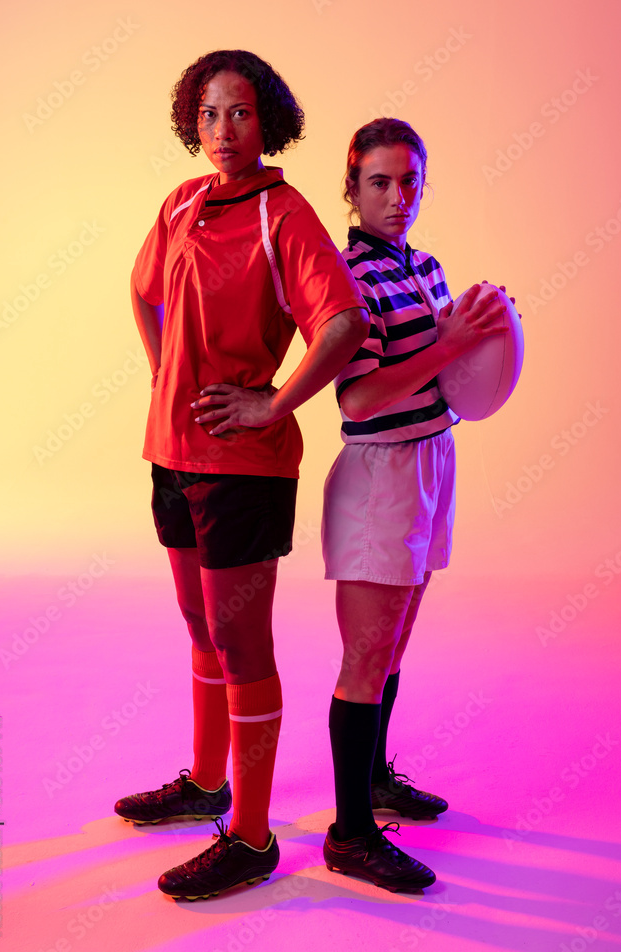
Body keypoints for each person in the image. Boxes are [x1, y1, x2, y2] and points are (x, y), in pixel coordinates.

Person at [115, 49, 368, 901]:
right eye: (211, 114)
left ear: (269, 124)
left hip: (242, 470)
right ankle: (205, 781)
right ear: (192, 120)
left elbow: (341, 323)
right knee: (197, 625)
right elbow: (142, 290)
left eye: (242, 114)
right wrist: (164, 379)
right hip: (171, 454)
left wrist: (274, 404)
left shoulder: (283, 212)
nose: (224, 130)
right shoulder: (182, 201)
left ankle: (253, 838)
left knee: (241, 642)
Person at [321, 117, 509, 893]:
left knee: (392, 647)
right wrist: (449, 344)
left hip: (433, 457)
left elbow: (447, 374)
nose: (397, 197)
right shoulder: (347, 279)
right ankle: (350, 835)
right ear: (352, 186)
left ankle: (373, 782)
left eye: (409, 182)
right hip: (379, 475)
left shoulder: (425, 267)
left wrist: (486, 335)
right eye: (379, 182)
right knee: (364, 656)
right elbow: (360, 399)